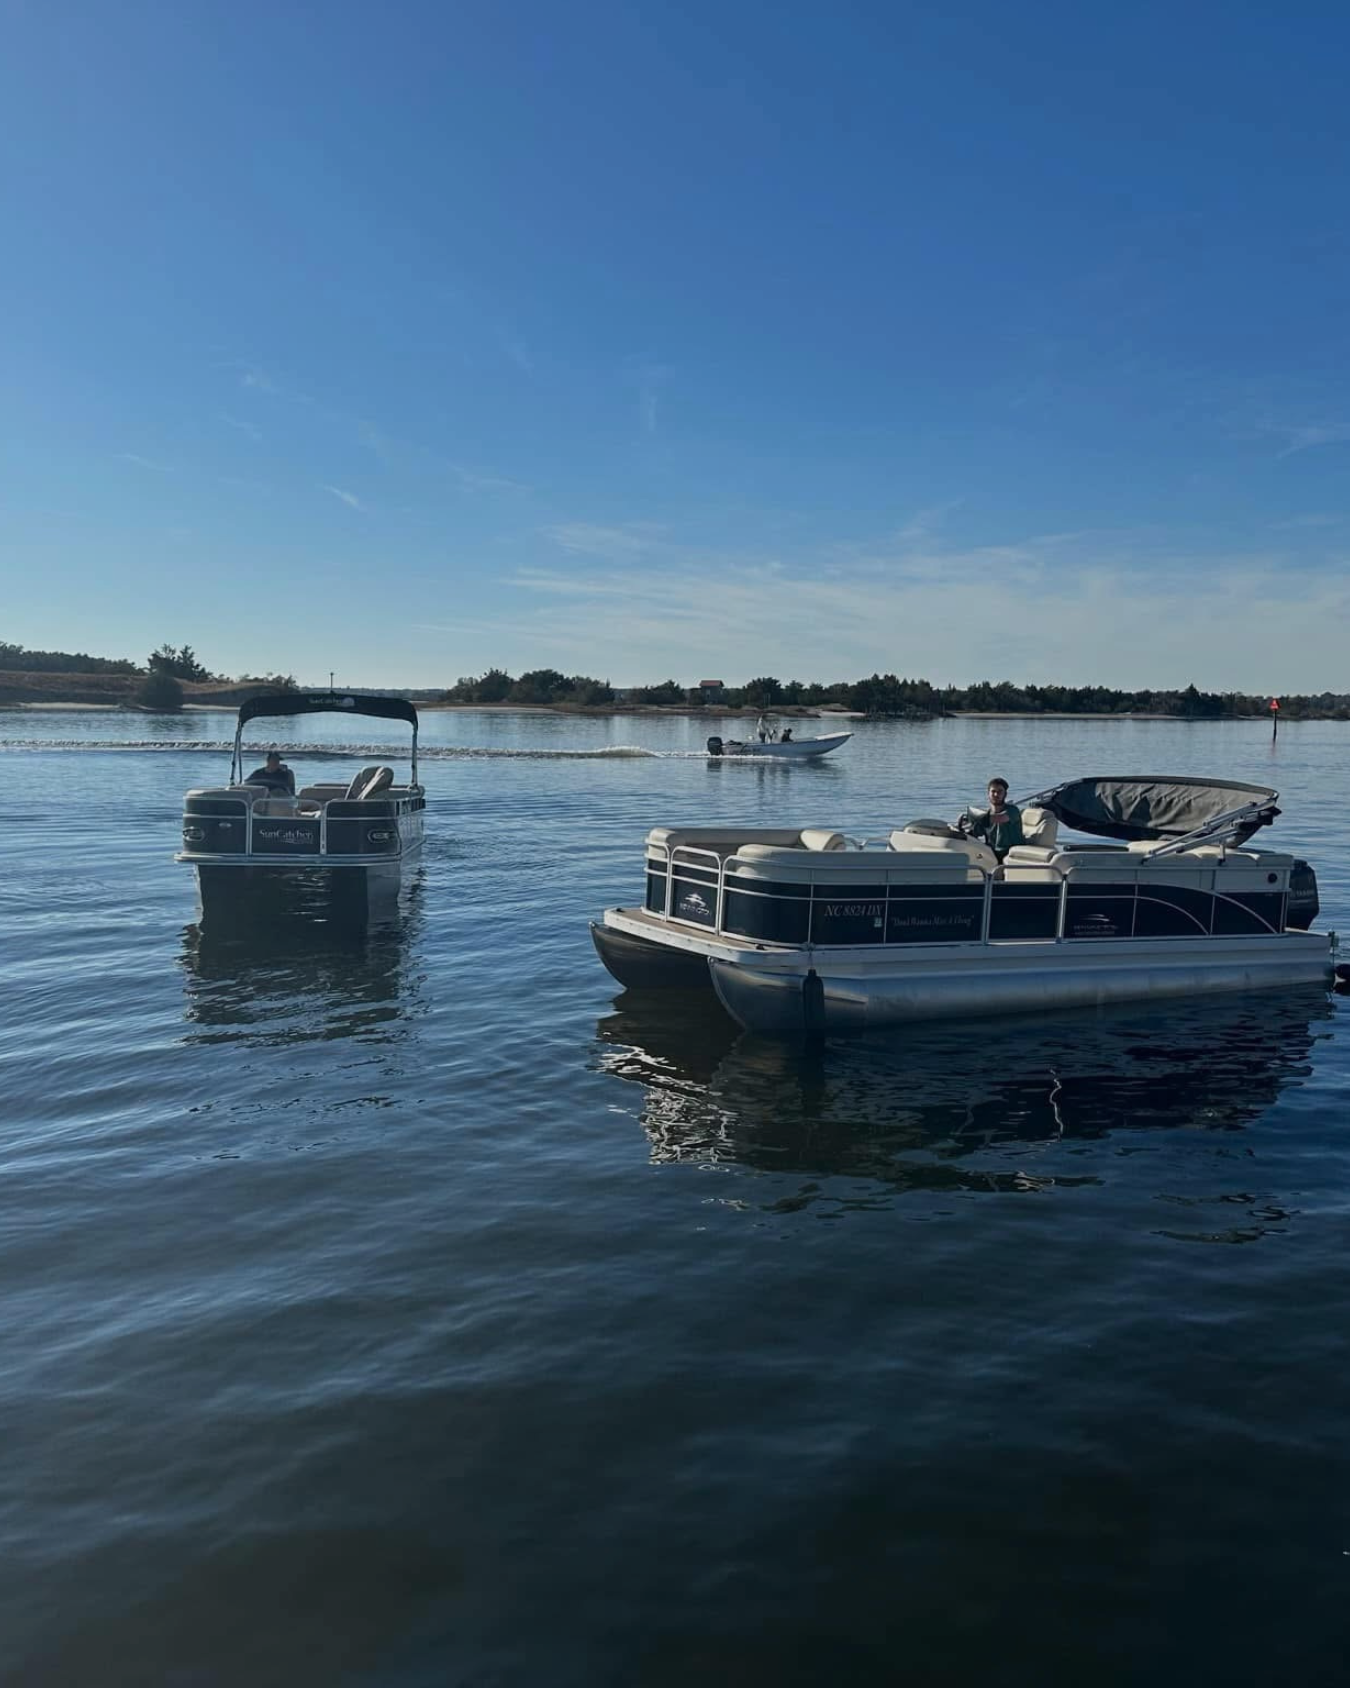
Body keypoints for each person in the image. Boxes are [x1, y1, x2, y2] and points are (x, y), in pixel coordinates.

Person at [962, 777, 1023, 860]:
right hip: (992, 852)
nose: (996, 794)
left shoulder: (1012, 810)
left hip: (1011, 852)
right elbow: (976, 832)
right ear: (988, 793)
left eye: (1000, 791)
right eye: (993, 791)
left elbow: (1000, 818)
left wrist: (973, 817)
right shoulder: (986, 815)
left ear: (1005, 794)